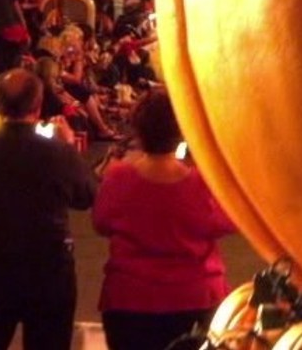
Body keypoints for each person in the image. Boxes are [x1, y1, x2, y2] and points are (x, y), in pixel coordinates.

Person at [0, 68, 96, 350]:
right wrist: (68, 148)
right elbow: (86, 196)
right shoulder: (58, 152)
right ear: (38, 106)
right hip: (49, 267)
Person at [93, 90, 236, 350]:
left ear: (139, 131)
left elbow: (101, 223)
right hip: (195, 299)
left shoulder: (117, 177)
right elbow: (227, 222)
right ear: (181, 132)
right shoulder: (201, 182)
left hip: (130, 299)